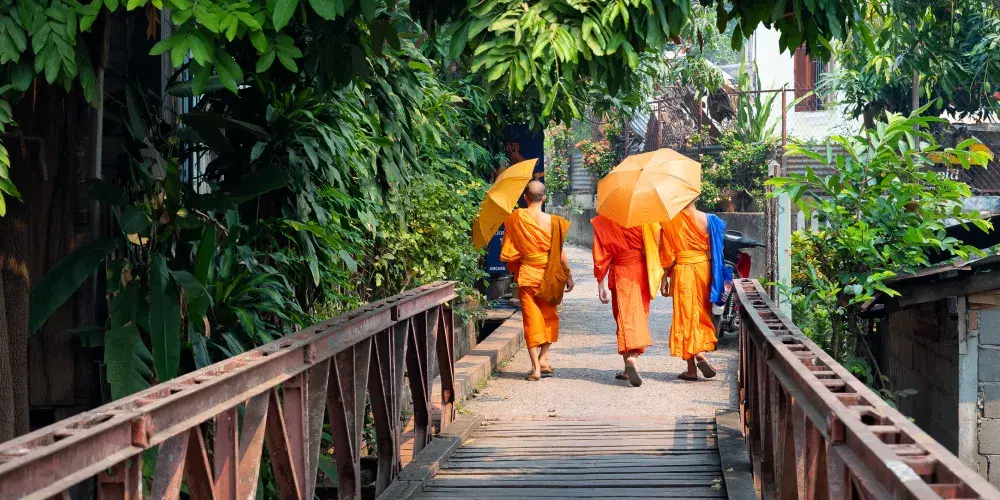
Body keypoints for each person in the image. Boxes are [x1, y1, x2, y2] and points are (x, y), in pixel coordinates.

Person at [501, 180, 574, 381]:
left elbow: (509, 251)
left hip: (528, 276)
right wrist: (568, 276)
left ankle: (535, 368)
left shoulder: (516, 218)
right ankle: (543, 358)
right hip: (549, 277)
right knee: (549, 316)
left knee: (531, 319)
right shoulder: (555, 222)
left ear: (525, 198)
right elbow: (559, 253)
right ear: (544, 198)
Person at [659, 200, 726, 380]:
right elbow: (716, 250)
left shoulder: (670, 221)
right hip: (703, 269)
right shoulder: (710, 219)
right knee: (701, 313)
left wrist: (664, 278)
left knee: (685, 316)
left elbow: (667, 254)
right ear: (696, 198)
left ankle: (691, 369)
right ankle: (700, 352)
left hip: (682, 270)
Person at [592, 215, 659, 387]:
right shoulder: (645, 218)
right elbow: (657, 246)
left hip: (619, 273)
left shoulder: (605, 221)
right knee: (639, 317)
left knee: (623, 318)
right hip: (640, 273)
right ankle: (633, 358)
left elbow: (601, 257)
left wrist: (600, 284)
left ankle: (627, 366)